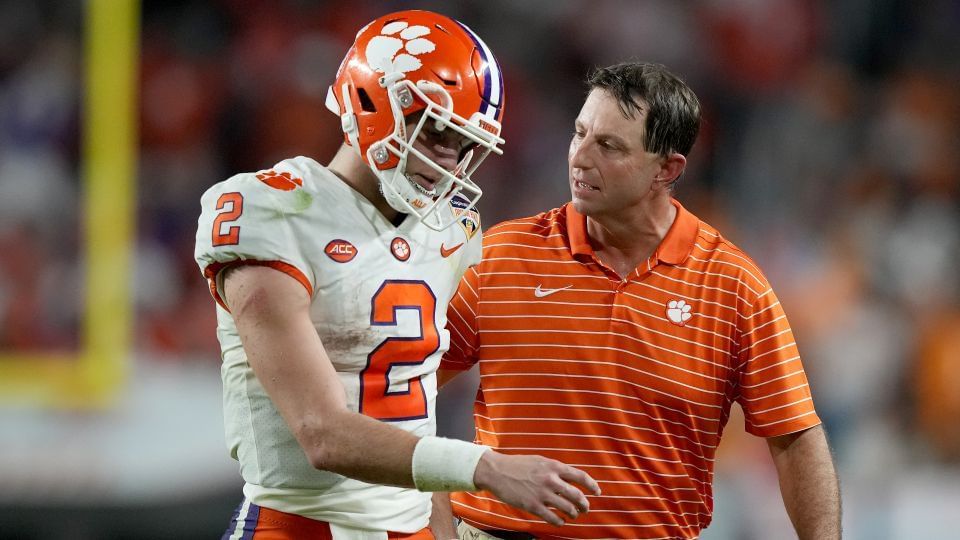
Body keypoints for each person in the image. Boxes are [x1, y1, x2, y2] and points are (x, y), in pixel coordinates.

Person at [193, 10, 598, 540]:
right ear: (372, 100)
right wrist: (485, 467)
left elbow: (414, 403)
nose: (450, 162)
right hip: (298, 525)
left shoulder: (448, 228)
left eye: (465, 146)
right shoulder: (270, 211)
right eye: (437, 132)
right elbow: (322, 435)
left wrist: (440, 525)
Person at [439, 62, 842, 539]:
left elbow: (795, 438)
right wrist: (436, 524)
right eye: (579, 133)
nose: (579, 157)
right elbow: (405, 390)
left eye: (609, 145)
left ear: (667, 169)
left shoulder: (733, 285)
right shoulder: (501, 255)